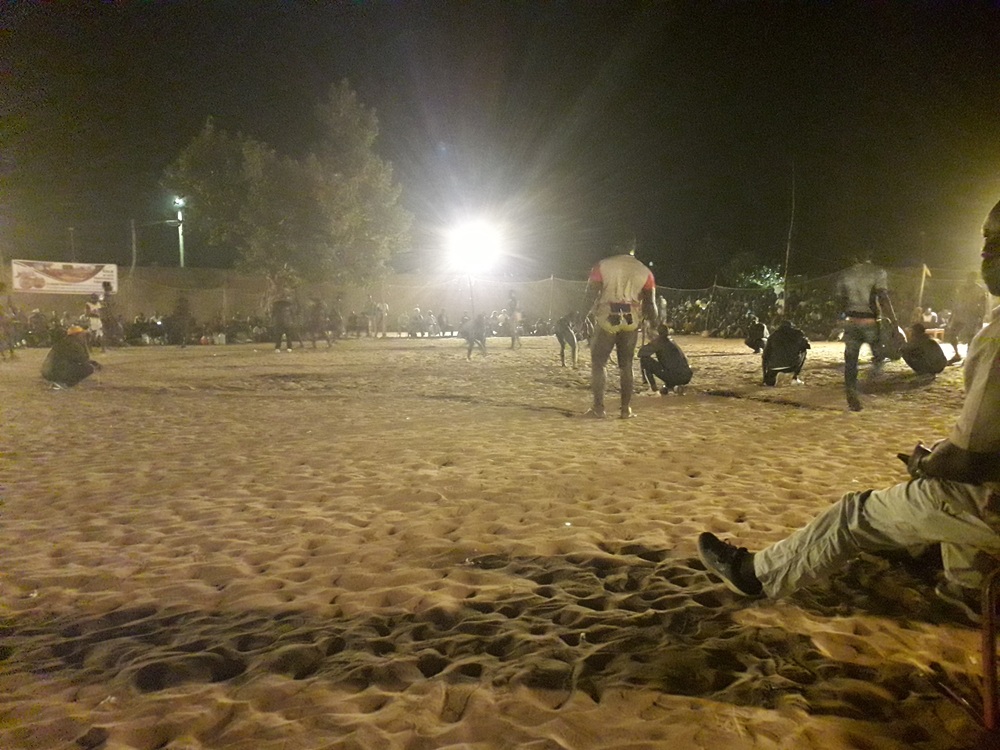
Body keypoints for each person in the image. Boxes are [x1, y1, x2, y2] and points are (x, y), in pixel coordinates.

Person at [696, 197, 1000, 626]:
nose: (987, 249)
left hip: (989, 502)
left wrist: (928, 462)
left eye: (996, 240)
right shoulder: (888, 283)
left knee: (860, 509)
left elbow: (969, 460)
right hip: (871, 325)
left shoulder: (997, 338)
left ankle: (754, 575)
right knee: (943, 473)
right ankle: (968, 589)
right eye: (986, 238)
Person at [585, 247, 658, 419]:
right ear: (632, 247)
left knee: (599, 363)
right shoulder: (644, 270)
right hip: (630, 319)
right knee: (626, 365)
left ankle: (599, 408)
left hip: (607, 316)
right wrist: (654, 324)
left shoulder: (602, 266)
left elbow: (590, 293)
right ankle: (625, 409)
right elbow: (650, 303)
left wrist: (582, 316)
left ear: (615, 246)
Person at [835, 258, 899, 411]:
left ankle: (851, 392)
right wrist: (894, 320)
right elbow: (883, 297)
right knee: (879, 356)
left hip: (851, 320)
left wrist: (839, 320)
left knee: (850, 361)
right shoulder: (877, 272)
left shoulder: (845, 274)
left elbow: (840, 300)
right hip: (869, 320)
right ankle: (870, 384)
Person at [945, 271, 987, 364]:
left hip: (971, 315)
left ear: (975, 279)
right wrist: (952, 315)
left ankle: (968, 356)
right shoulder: (961, 288)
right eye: (968, 277)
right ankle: (956, 354)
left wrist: (981, 317)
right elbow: (956, 302)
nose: (969, 279)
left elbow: (983, 304)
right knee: (952, 333)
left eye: (971, 278)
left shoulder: (979, 290)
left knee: (970, 337)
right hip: (959, 314)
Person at [639, 323, 692, 394]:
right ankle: (672, 386)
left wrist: (650, 343)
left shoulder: (659, 341)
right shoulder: (671, 340)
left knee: (645, 360)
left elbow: (641, 353)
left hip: (675, 375)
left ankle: (653, 389)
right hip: (686, 375)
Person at [761, 319, 810, 386]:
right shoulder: (797, 333)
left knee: (770, 383)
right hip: (791, 365)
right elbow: (807, 346)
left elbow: (765, 356)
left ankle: (773, 377)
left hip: (774, 367)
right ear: (791, 326)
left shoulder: (773, 335)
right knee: (804, 351)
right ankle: (795, 377)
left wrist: (765, 376)